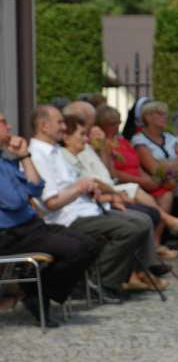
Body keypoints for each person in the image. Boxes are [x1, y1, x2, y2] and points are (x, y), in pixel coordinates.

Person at [29, 105, 151, 302]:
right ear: (44, 126)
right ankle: (100, 283)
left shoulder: (54, 151)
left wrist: (87, 187)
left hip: (85, 209)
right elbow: (52, 203)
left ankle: (105, 280)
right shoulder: (37, 155)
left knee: (141, 223)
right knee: (130, 230)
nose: (63, 127)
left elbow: (70, 185)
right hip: (67, 218)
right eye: (59, 122)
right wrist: (80, 188)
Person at [0, 112, 100, 327]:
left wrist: (24, 156)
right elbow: (15, 202)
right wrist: (24, 191)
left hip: (30, 226)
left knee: (89, 244)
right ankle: (36, 294)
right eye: (2, 123)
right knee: (76, 250)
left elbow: (36, 187)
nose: (8, 127)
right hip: (10, 235)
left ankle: (37, 292)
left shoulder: (5, 159)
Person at [61, 108, 178, 257]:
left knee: (161, 198)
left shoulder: (120, 141)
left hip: (120, 187)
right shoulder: (76, 152)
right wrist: (117, 192)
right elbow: (106, 176)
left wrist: (149, 179)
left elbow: (135, 165)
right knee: (142, 217)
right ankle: (155, 248)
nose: (117, 126)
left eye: (119, 122)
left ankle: (155, 249)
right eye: (113, 123)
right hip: (111, 190)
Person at [59, 114, 170, 291]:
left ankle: (136, 271)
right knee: (136, 223)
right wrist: (111, 196)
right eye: (81, 134)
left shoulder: (78, 154)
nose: (86, 138)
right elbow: (91, 185)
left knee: (144, 217)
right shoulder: (62, 158)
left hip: (96, 205)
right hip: (82, 212)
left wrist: (104, 150)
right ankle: (112, 279)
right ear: (66, 138)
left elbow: (103, 176)